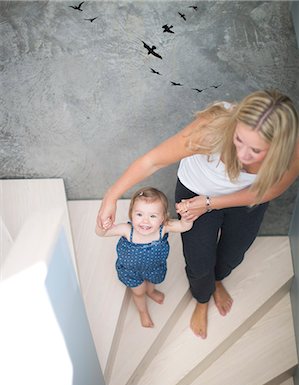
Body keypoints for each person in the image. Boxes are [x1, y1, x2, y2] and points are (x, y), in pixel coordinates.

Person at [97, 89, 299, 338]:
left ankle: (217, 281)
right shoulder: (212, 129)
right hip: (196, 192)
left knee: (233, 254)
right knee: (199, 259)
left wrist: (212, 203)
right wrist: (111, 196)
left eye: (255, 151)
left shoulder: (291, 151)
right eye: (238, 139)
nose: (241, 155)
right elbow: (153, 161)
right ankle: (202, 299)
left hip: (245, 198)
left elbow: (270, 190)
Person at [95, 187, 193, 328]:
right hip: (131, 271)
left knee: (152, 282)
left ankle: (151, 291)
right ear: (131, 214)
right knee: (139, 292)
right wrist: (102, 225)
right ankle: (143, 311)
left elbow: (184, 226)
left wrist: (186, 217)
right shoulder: (127, 230)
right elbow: (101, 234)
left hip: (154, 267)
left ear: (163, 217)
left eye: (153, 216)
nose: (145, 221)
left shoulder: (164, 227)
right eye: (139, 214)